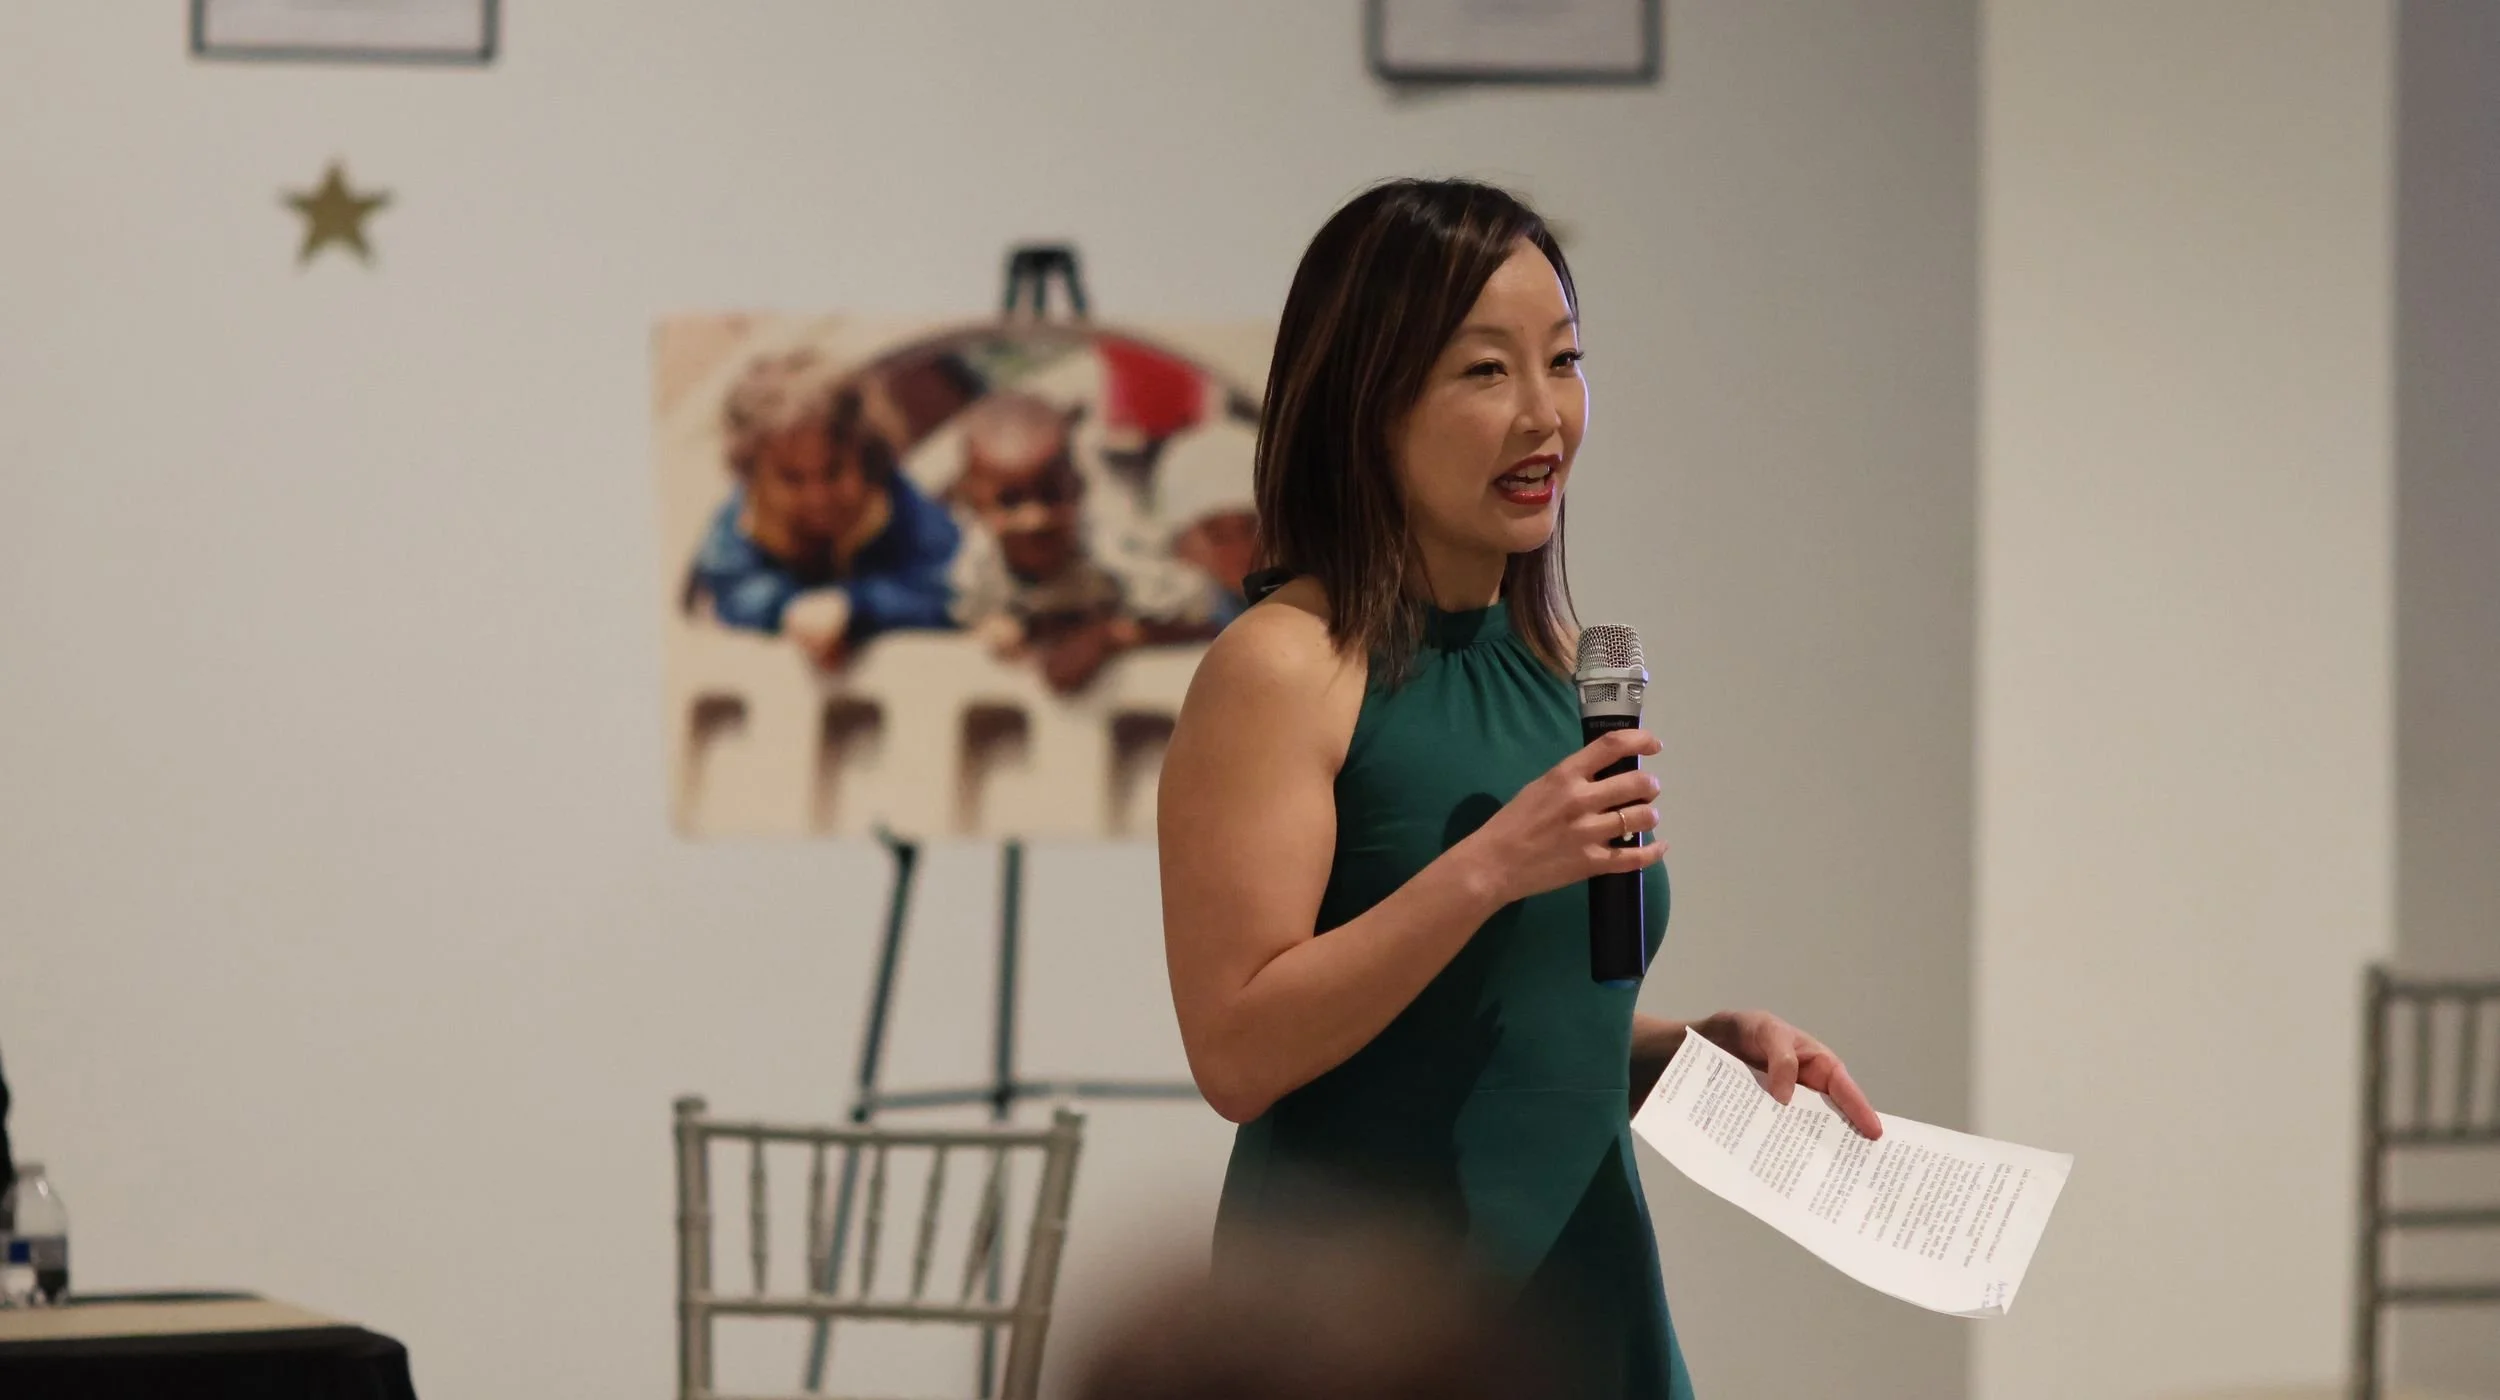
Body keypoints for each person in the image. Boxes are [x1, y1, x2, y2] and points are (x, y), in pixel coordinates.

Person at [1157, 179, 1886, 1400]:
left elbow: (1498, 1027)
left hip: (1582, 1303)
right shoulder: (1283, 665)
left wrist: (1684, 1050)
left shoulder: (1558, 670)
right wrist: (1489, 864)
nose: (1544, 415)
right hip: (1358, 1326)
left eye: (1565, 360)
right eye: (1484, 372)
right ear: (1364, 401)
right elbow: (1238, 1047)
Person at [684, 349, 960, 669]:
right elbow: (733, 593)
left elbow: (947, 591)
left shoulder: (899, 507)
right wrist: (787, 608)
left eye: (833, 472)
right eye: (792, 478)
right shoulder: (741, 525)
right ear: (752, 475)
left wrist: (855, 605)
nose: (817, 497)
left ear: (866, 455)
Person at [947, 391, 1218, 694]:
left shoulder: (1112, 544)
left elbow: (1204, 621)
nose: (1035, 518)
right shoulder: (978, 561)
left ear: (1076, 485)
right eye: (1009, 502)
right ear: (974, 506)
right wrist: (996, 627)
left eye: (1051, 495)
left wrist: (1110, 636)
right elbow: (969, 620)